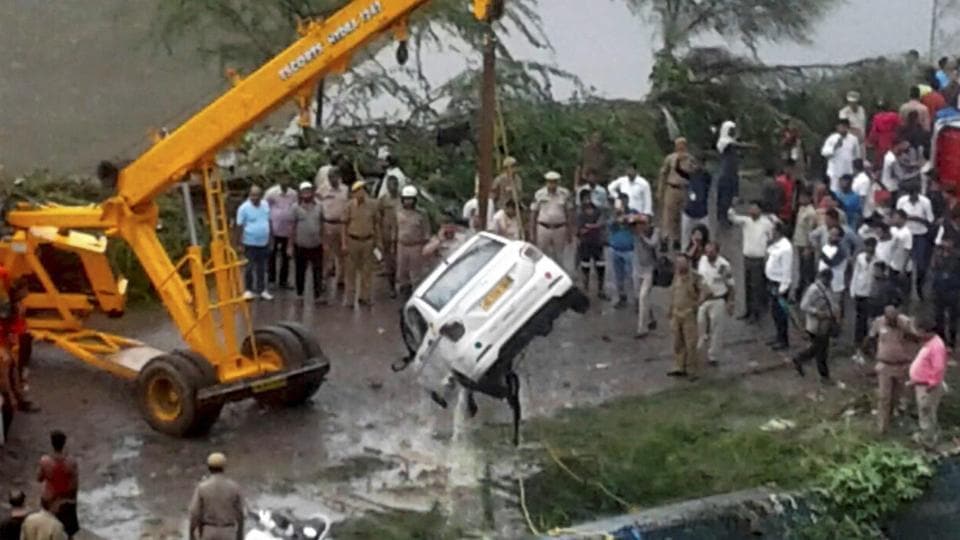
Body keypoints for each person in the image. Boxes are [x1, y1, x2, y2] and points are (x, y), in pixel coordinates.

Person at [871, 305, 920, 434]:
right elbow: (871, 337)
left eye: (893, 320)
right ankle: (882, 427)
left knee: (899, 396)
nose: (890, 322)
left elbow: (917, 339)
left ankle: (896, 419)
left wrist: (905, 331)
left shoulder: (905, 323)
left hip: (901, 365)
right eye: (888, 320)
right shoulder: (878, 322)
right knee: (884, 397)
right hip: (885, 365)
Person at [728, 201, 776, 322]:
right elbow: (732, 218)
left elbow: (771, 237)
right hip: (747, 258)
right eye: (750, 209)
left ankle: (756, 312)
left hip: (758, 259)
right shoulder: (746, 221)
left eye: (755, 208)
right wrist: (732, 206)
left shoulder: (766, 223)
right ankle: (748, 310)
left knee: (757, 287)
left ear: (760, 210)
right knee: (747, 286)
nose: (752, 211)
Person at [793, 269, 839, 383]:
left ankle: (800, 359)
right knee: (821, 352)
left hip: (826, 323)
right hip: (817, 325)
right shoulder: (814, 290)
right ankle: (824, 376)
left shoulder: (826, 288)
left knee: (818, 349)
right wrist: (816, 312)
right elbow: (803, 305)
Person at [909, 318, 948, 447]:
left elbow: (938, 367)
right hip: (921, 384)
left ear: (925, 331)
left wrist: (932, 384)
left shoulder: (936, 346)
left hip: (928, 386)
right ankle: (928, 437)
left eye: (918, 330)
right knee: (924, 412)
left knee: (927, 412)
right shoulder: (929, 343)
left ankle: (928, 441)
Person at [341, 181, 381, 308]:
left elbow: (376, 223)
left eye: (363, 190)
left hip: (368, 241)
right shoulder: (349, 206)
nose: (361, 193)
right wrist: (344, 243)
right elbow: (344, 225)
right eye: (358, 190)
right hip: (353, 240)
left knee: (367, 271)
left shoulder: (372, 205)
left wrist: (377, 241)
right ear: (353, 193)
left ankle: (365, 297)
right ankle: (349, 298)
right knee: (350, 271)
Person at [188, 452, 245, 540]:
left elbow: (195, 513)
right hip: (228, 532)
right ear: (224, 467)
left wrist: (191, 533)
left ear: (209, 467)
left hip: (208, 531)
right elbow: (241, 513)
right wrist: (240, 535)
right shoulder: (234, 487)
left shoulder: (202, 488)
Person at [697, 242, 734, 366]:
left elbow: (730, 285)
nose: (708, 255)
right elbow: (699, 278)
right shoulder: (702, 261)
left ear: (717, 252)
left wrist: (730, 302)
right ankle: (701, 346)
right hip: (704, 299)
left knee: (716, 328)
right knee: (700, 323)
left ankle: (713, 355)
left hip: (717, 299)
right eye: (706, 252)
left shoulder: (723, 266)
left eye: (711, 252)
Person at [37, 430, 78, 538]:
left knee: (47, 527)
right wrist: (73, 500)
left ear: (52, 443)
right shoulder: (71, 461)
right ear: (64, 443)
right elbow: (75, 483)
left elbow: (39, 478)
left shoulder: (45, 461)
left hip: (49, 498)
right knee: (69, 532)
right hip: (66, 499)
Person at [657, 137, 695, 251]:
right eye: (678, 144)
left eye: (683, 144)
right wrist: (660, 190)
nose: (680, 146)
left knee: (681, 216)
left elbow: (694, 174)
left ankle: (677, 239)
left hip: (684, 189)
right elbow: (663, 174)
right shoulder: (670, 158)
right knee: (668, 215)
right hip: (671, 188)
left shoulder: (690, 159)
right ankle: (665, 238)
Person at [288, 182, 324, 303]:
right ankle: (299, 294)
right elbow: (292, 227)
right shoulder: (295, 208)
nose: (306, 194)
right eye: (304, 191)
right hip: (301, 245)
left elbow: (322, 224)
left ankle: (318, 295)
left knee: (318, 271)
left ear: (312, 192)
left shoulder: (319, 206)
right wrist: (290, 246)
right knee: (300, 270)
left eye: (308, 191)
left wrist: (325, 242)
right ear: (300, 193)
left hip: (316, 245)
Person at [667, 254, 702, 379]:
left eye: (682, 263)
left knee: (690, 343)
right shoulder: (676, 276)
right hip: (676, 313)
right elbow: (673, 293)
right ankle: (679, 366)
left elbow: (706, 292)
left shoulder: (695, 277)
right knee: (677, 342)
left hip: (688, 314)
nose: (680, 266)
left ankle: (692, 370)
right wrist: (670, 310)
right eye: (678, 263)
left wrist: (696, 305)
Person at [235, 185, 273, 301]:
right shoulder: (243, 208)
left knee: (262, 267)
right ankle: (248, 290)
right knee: (249, 267)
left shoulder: (265, 205)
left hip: (263, 242)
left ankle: (262, 290)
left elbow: (269, 221)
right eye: (252, 195)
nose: (255, 197)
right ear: (249, 195)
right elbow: (239, 226)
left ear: (261, 196)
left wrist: (271, 238)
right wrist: (239, 243)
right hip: (249, 242)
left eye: (257, 195)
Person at [318, 168, 350, 300]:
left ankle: (341, 279)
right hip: (327, 224)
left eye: (334, 177)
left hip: (341, 224)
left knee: (342, 253)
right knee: (326, 254)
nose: (332, 180)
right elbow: (317, 205)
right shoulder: (322, 190)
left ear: (339, 177)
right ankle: (324, 279)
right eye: (330, 177)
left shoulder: (345, 190)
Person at [896, 189, 934, 298]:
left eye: (916, 194)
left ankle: (919, 287)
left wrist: (918, 219)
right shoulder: (902, 201)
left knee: (921, 264)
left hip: (920, 235)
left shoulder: (925, 202)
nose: (914, 196)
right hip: (905, 234)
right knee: (904, 262)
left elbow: (930, 220)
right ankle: (904, 290)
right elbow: (898, 217)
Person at [531, 171, 574, 265]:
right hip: (543, 227)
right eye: (550, 181)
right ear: (546, 182)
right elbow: (534, 212)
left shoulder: (565, 193)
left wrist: (570, 232)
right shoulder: (539, 194)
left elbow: (569, 212)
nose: (552, 184)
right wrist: (532, 232)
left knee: (559, 255)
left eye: (554, 181)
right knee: (541, 255)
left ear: (558, 182)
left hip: (560, 228)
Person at [395, 186, 431, 298]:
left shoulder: (421, 214)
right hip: (402, 246)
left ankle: (416, 295)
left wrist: (425, 247)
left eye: (410, 199)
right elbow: (395, 228)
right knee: (402, 272)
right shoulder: (398, 212)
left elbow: (426, 231)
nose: (408, 201)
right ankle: (404, 293)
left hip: (416, 246)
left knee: (416, 274)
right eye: (406, 198)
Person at [264, 178, 298, 290]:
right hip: (273, 229)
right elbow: (265, 208)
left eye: (287, 179)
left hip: (287, 230)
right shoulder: (271, 193)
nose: (285, 182)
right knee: (271, 254)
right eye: (282, 179)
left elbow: (296, 208)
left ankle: (283, 281)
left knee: (286, 255)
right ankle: (271, 280)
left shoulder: (293, 194)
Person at [716, 121, 751, 224]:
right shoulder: (723, 141)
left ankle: (726, 217)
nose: (732, 132)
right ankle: (722, 218)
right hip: (725, 173)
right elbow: (737, 145)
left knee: (731, 197)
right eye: (731, 130)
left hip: (732, 173)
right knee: (724, 197)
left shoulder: (730, 141)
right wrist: (751, 146)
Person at [766, 223, 794, 351]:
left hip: (780, 284)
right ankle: (778, 336)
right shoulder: (775, 245)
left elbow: (787, 269)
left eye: (773, 230)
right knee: (774, 312)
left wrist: (783, 288)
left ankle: (784, 340)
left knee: (781, 313)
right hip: (772, 281)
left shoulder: (786, 248)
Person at [576, 191, 607, 299]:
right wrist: (594, 226)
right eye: (585, 198)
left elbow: (602, 223)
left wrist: (591, 227)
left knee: (601, 266)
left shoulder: (598, 211)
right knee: (585, 265)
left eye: (588, 197)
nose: (587, 200)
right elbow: (580, 230)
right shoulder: (580, 213)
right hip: (585, 243)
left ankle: (601, 289)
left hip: (597, 243)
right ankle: (586, 289)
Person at [633, 215, 660, 338]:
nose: (641, 226)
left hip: (649, 269)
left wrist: (642, 236)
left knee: (643, 297)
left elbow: (653, 244)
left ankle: (642, 329)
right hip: (637, 268)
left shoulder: (655, 232)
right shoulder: (633, 231)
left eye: (644, 223)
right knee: (639, 297)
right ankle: (650, 318)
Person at [608, 195, 636, 308]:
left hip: (630, 249)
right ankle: (621, 297)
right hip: (616, 248)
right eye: (621, 201)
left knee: (632, 276)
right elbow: (610, 225)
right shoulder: (614, 213)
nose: (623, 203)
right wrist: (616, 217)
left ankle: (636, 299)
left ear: (628, 201)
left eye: (624, 200)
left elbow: (637, 224)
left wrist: (627, 218)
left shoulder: (633, 212)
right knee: (618, 276)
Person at [850, 238, 878, 350]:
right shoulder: (860, 258)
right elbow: (855, 273)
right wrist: (853, 290)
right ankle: (858, 340)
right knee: (859, 317)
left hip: (870, 292)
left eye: (872, 246)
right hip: (859, 290)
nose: (870, 248)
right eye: (868, 246)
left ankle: (866, 341)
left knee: (867, 318)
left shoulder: (878, 259)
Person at [930, 240, 960, 348]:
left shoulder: (957, 258)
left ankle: (952, 341)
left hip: (953, 291)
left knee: (953, 318)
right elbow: (933, 271)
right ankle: (941, 339)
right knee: (939, 317)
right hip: (939, 291)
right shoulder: (937, 257)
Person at [821, 118, 861, 192]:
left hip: (848, 171)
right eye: (840, 127)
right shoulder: (832, 138)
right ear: (837, 127)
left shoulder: (853, 139)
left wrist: (856, 169)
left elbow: (857, 155)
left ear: (848, 128)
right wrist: (835, 147)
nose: (842, 129)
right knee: (835, 191)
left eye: (844, 127)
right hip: (835, 171)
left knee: (847, 192)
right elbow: (824, 152)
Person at [818, 226, 850, 317]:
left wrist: (823, 256)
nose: (830, 236)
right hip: (825, 282)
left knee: (835, 308)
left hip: (836, 284)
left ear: (840, 237)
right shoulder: (827, 247)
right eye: (830, 234)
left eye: (834, 235)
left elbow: (831, 262)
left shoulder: (842, 251)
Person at [793, 189, 818, 302]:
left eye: (803, 197)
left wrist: (808, 247)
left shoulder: (811, 213)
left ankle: (804, 295)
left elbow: (811, 231)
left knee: (807, 271)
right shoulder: (801, 209)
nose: (800, 199)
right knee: (802, 269)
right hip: (799, 243)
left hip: (805, 245)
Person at [378, 176, 401, 297]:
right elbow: (379, 216)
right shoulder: (383, 200)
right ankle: (391, 287)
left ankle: (402, 285)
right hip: (387, 234)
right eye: (390, 185)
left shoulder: (402, 199)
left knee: (400, 262)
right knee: (389, 262)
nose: (392, 187)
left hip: (400, 233)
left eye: (394, 184)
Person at [681, 164, 711, 248]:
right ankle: (685, 255)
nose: (694, 166)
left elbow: (707, 177)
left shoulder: (706, 177)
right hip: (689, 212)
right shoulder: (690, 176)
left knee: (705, 237)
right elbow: (680, 171)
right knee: (685, 238)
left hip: (702, 213)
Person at [867, 100, 901, 166]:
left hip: (881, 141)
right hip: (892, 140)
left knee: (881, 162)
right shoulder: (894, 116)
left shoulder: (876, 117)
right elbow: (899, 127)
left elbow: (874, 132)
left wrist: (870, 141)